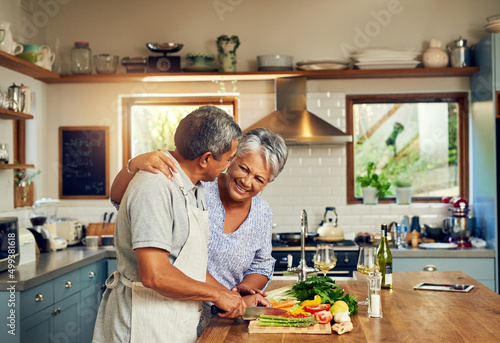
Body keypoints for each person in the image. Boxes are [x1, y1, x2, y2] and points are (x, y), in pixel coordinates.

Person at [110, 127, 288, 335]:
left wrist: (238, 294)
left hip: (227, 313)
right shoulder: (199, 185)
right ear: (232, 158)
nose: (246, 182)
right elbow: (121, 198)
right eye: (244, 168)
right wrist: (134, 165)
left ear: (269, 182)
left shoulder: (262, 213)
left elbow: (262, 263)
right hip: (171, 308)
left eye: (259, 179)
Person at [92, 106, 246, 343]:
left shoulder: (194, 189)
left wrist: (232, 297)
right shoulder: (154, 187)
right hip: (141, 324)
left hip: (170, 320)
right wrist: (216, 295)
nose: (228, 166)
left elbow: (187, 266)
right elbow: (155, 275)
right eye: (227, 159)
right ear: (205, 158)